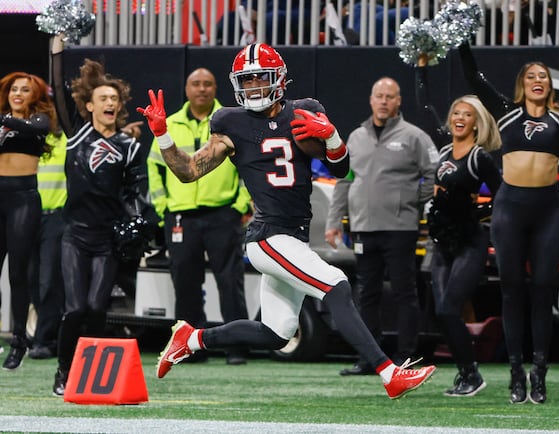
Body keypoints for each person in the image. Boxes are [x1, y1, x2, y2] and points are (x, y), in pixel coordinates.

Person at [138, 43, 436, 399]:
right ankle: (389, 374)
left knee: (277, 332)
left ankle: (193, 338)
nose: (253, 88)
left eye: (260, 78)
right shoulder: (231, 122)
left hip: (293, 237)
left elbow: (344, 169)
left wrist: (331, 136)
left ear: (279, 79)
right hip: (267, 236)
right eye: (246, 81)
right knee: (336, 284)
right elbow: (188, 171)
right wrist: (163, 135)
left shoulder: (303, 112)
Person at [458, 38, 559, 403]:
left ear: (550, 86)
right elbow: (474, 77)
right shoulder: (506, 112)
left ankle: (540, 374)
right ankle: (516, 373)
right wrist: (463, 42)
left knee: (542, 290)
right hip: (510, 209)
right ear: (522, 84)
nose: (539, 80)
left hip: (547, 210)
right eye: (532, 76)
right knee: (511, 290)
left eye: (544, 76)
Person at [50, 35, 154, 396]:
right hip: (75, 236)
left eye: (114, 98)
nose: (110, 102)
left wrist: (140, 218)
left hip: (106, 239)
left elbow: (135, 190)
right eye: (103, 98)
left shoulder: (129, 147)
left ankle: (90, 375)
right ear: (90, 106)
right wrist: (57, 47)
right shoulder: (77, 137)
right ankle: (63, 372)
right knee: (75, 309)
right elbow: (58, 90)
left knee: (96, 309)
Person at [325, 77, 438, 376]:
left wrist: (411, 201)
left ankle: (406, 356)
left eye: (390, 96)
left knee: (405, 292)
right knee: (366, 294)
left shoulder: (414, 136)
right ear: (371, 100)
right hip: (363, 227)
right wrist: (334, 221)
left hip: (401, 228)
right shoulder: (356, 136)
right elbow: (344, 180)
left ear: (399, 101)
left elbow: (433, 171)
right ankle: (370, 358)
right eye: (379, 96)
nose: (384, 101)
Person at [148, 67, 253, 365]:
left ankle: (237, 346)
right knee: (185, 282)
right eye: (196, 84)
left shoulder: (230, 121)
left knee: (230, 281)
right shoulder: (169, 124)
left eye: (208, 84)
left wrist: (241, 204)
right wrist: (163, 207)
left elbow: (247, 168)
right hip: (180, 216)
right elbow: (153, 169)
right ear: (187, 89)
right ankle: (189, 348)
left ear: (216, 88)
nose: (202, 89)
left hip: (223, 213)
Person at [416, 54, 503, 396]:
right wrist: (421, 69)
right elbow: (425, 110)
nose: (459, 119)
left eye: (467, 115)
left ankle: (471, 374)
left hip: (470, 239)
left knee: (451, 306)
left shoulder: (479, 156)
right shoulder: (443, 151)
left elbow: (503, 196)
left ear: (477, 122)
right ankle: (468, 373)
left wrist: (477, 213)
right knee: (441, 310)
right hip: (443, 240)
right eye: (456, 113)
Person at [0, 71, 60, 370]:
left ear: (34, 95)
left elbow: (29, 127)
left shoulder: (39, 122)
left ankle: (20, 339)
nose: (18, 93)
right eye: (14, 89)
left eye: (25, 89)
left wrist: (3, 121)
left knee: (18, 274)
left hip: (23, 198)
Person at [28, 130, 68, 360]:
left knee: (50, 279)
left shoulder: (69, 139)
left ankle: (46, 339)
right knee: (31, 278)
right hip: (27, 214)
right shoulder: (29, 137)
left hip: (57, 215)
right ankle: (43, 334)